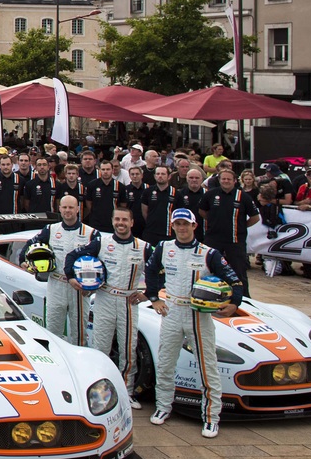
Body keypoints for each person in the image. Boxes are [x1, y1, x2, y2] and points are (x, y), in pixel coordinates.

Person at [146, 208, 242, 438]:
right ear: (173, 226)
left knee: (207, 367)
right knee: (166, 362)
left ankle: (211, 418)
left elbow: (235, 281)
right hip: (172, 311)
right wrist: (154, 298)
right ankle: (163, 406)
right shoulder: (164, 248)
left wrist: (233, 304)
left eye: (186, 224)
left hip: (199, 314)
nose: (182, 228)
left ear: (194, 225)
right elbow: (150, 271)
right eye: (178, 224)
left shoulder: (209, 253)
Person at [66, 205, 148, 407]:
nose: (121, 223)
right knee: (100, 348)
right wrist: (73, 279)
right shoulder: (101, 242)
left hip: (129, 301)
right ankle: (99, 392)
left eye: (124, 220)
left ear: (132, 222)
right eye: (117, 220)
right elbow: (71, 257)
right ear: (112, 222)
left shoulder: (144, 246)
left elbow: (158, 271)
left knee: (128, 349)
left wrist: (149, 294)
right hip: (105, 298)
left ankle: (127, 391)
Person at [21, 195, 93, 346]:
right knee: (53, 331)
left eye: (71, 207)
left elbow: (100, 260)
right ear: (59, 209)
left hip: (79, 288)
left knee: (79, 335)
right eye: (64, 207)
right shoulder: (51, 229)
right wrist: (23, 262)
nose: (67, 210)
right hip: (56, 284)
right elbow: (29, 245)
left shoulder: (91, 233)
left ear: (78, 209)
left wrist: (92, 286)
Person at [200, 166, 259, 298]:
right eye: (223, 179)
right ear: (219, 180)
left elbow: (255, 217)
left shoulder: (243, 196)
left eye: (229, 179)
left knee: (239, 272)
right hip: (213, 239)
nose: (226, 181)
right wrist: (213, 221)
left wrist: (242, 226)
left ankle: (244, 299)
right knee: (207, 269)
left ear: (235, 181)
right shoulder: (211, 194)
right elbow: (202, 211)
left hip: (235, 240)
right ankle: (206, 296)